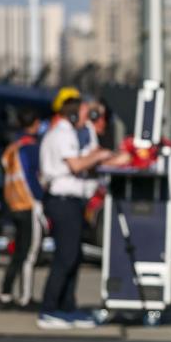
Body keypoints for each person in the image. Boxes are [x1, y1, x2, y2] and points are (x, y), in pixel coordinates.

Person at [38, 90, 112, 329]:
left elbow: (85, 162)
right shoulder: (61, 134)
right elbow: (77, 164)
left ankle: (66, 306)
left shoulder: (73, 133)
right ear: (71, 115)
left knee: (74, 256)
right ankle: (49, 309)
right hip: (62, 201)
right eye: (84, 113)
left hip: (72, 201)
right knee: (65, 256)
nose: (88, 117)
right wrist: (99, 155)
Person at [0, 109, 44, 311]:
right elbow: (34, 179)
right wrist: (41, 199)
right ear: (34, 124)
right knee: (29, 254)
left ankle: (5, 294)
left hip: (13, 204)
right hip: (29, 204)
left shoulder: (12, 147)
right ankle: (26, 297)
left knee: (17, 253)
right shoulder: (31, 148)